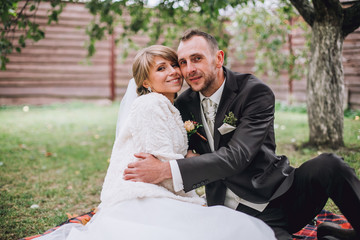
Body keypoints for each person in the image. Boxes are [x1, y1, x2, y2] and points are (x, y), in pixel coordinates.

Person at [124, 29, 360, 240]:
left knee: (329, 164)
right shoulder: (182, 104)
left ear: (218, 58)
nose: (189, 69)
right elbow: (172, 144)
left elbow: (238, 156)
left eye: (197, 59)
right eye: (183, 62)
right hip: (236, 213)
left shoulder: (254, 92)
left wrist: (166, 169)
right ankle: (328, 233)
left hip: (281, 193)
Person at [35, 45, 276, 240]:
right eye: (161, 68)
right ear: (146, 83)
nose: (173, 71)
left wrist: (191, 160)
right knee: (237, 229)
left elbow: (171, 163)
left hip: (160, 190)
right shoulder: (151, 105)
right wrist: (192, 183)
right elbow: (161, 167)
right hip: (144, 196)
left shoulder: (173, 107)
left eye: (174, 64)